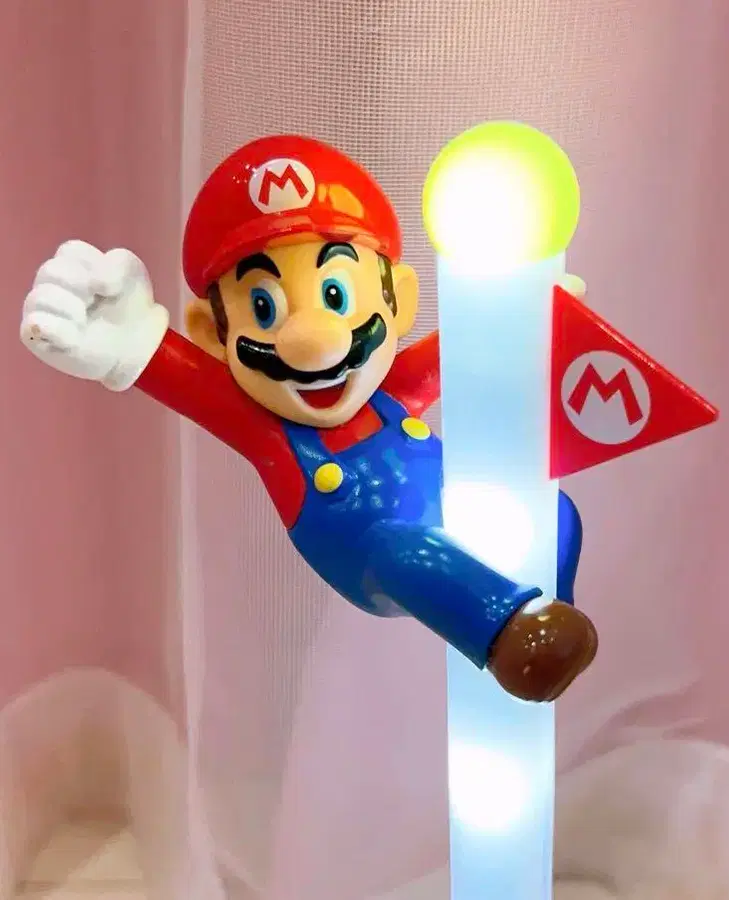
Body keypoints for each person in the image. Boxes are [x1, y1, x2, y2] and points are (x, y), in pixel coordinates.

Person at [19, 134, 597, 702]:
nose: (314, 342)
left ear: (399, 300)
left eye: (336, 296)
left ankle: (553, 610)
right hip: (375, 557)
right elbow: (188, 384)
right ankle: (515, 636)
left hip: (464, 513)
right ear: (211, 334)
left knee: (555, 512)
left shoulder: (390, 392)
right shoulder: (267, 429)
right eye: (264, 308)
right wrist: (133, 342)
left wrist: (524, 314)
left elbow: (461, 348)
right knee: (409, 555)